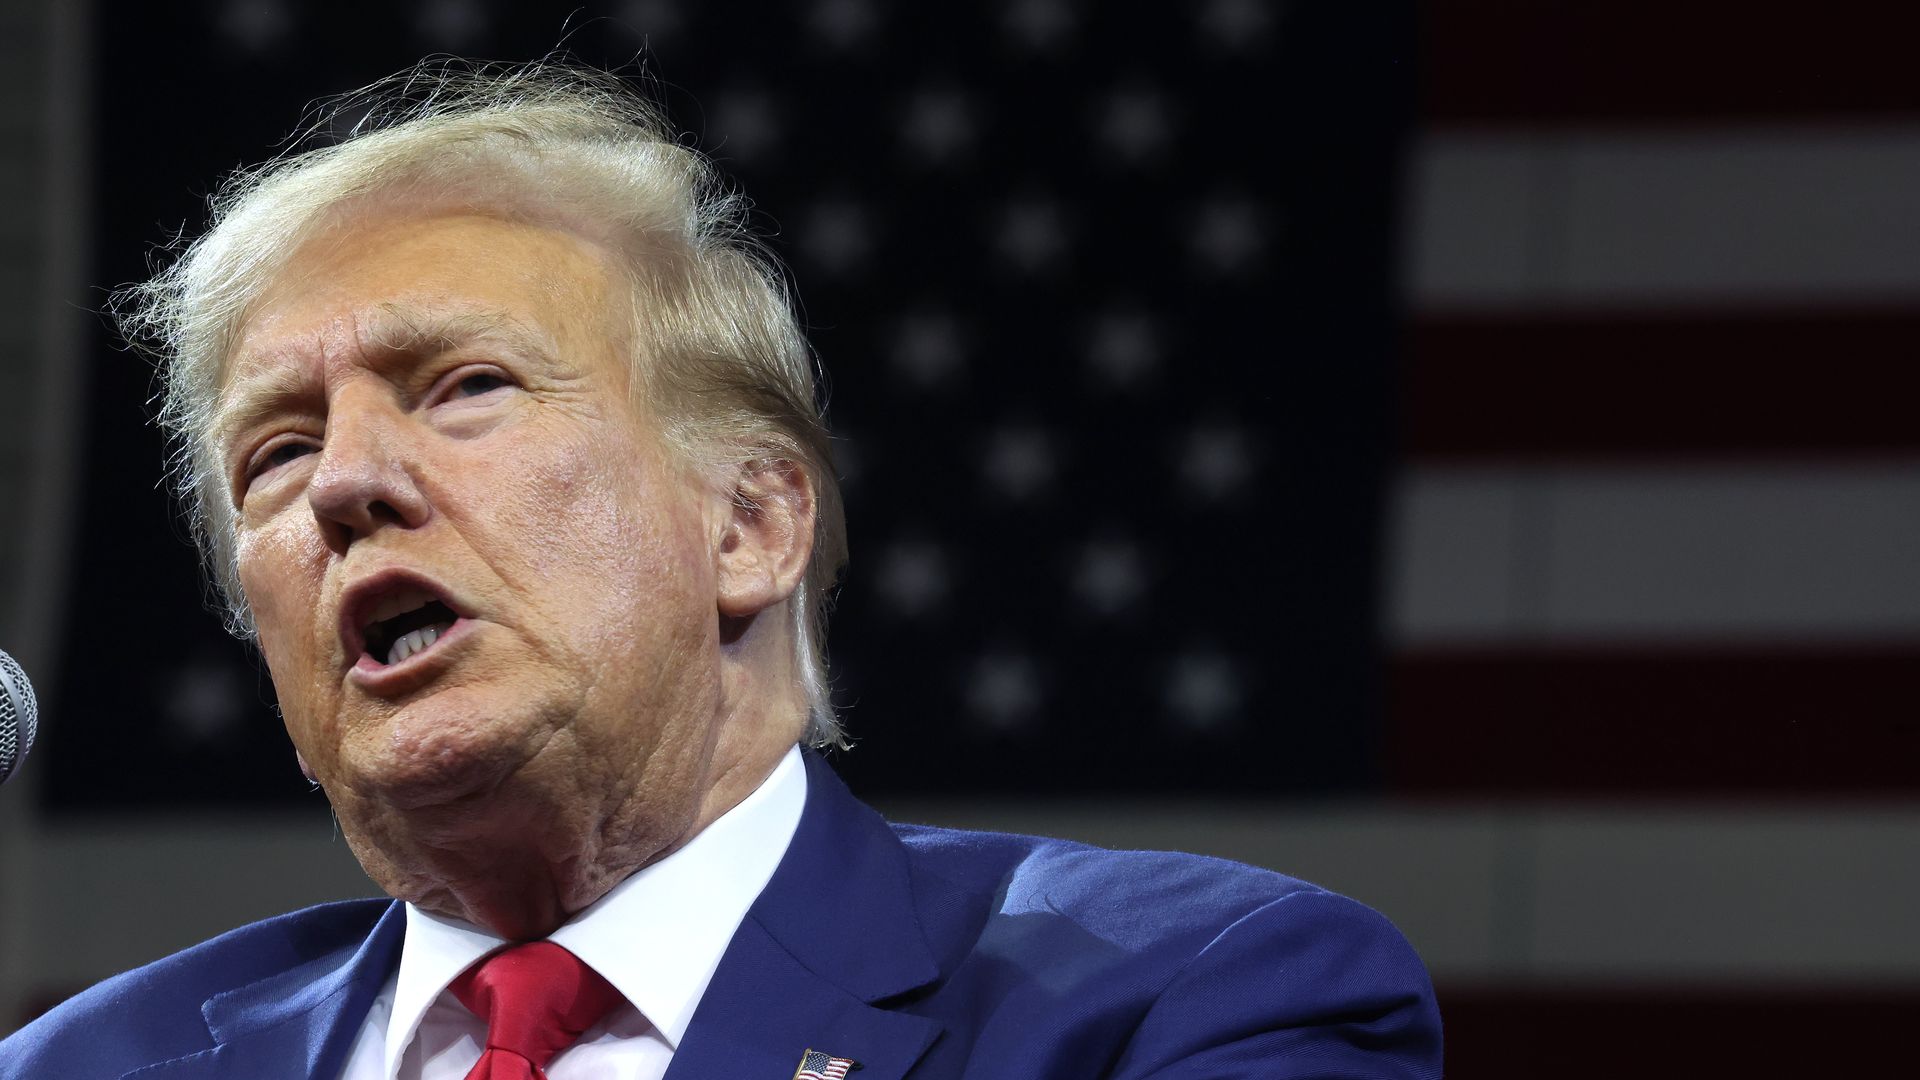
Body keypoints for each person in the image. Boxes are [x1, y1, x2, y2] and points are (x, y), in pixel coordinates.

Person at [0, 61, 1441, 1079]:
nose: (347, 483)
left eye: (468, 387)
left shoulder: (1181, 1006)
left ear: (750, 525)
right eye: (275, 453)